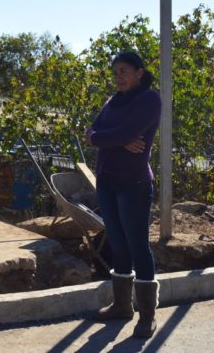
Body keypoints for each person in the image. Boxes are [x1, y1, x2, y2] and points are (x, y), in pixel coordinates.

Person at [86, 51, 162, 338]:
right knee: (118, 244)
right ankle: (121, 305)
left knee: (137, 245)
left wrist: (104, 138)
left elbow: (126, 131)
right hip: (106, 181)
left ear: (139, 73)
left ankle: (147, 315)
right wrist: (112, 139)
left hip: (134, 184)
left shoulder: (149, 100)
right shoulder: (113, 100)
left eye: (124, 71)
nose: (119, 77)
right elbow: (94, 131)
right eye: (115, 71)